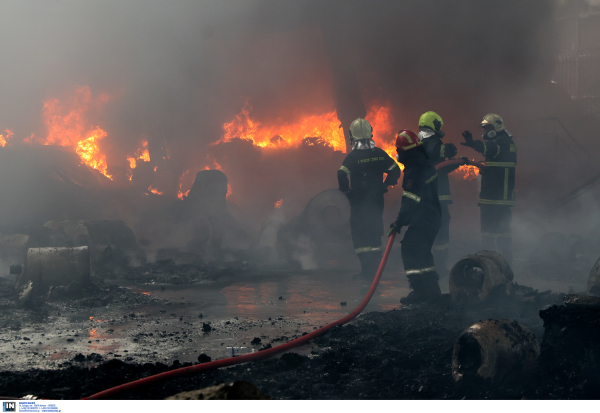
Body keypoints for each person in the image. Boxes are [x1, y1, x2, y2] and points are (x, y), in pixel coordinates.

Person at [337, 118, 401, 279]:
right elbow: (395, 170)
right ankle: (375, 271)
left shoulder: (353, 157)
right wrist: (385, 185)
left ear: (352, 137)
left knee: (360, 237)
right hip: (376, 202)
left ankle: (367, 271)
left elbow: (341, 173)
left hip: (359, 203)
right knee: (374, 234)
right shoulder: (379, 153)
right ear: (370, 134)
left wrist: (347, 191)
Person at [388, 129, 442, 304]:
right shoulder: (426, 164)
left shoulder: (413, 172)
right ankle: (432, 292)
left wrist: (398, 222)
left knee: (409, 250)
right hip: (433, 217)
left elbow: (409, 202)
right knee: (423, 254)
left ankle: (420, 292)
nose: (397, 153)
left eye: (398, 150)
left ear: (404, 151)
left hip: (423, 219)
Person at [461, 113, 517, 264]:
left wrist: (472, 143)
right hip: (504, 199)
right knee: (504, 234)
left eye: (487, 128)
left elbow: (486, 147)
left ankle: (488, 264)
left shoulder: (498, 142)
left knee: (488, 234)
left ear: (496, 127)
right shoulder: (509, 143)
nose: (485, 131)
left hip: (492, 198)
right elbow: (499, 168)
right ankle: (506, 265)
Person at [417, 111, 458, 277]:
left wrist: (457, 163)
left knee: (428, 232)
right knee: (440, 234)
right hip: (437, 197)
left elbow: (439, 168)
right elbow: (435, 151)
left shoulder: (419, 142)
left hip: (426, 197)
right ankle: (439, 268)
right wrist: (449, 149)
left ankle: (428, 267)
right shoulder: (430, 141)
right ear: (433, 125)